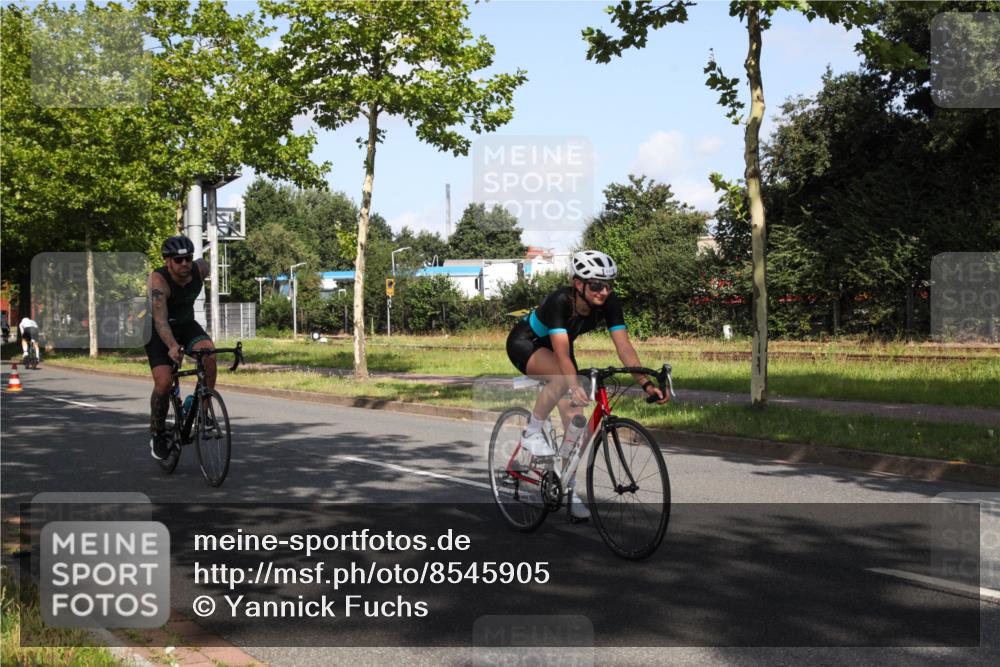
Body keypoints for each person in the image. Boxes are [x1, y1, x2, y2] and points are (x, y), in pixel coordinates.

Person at [506, 250, 670, 520]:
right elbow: (560, 353)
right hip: (527, 344)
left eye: (608, 285)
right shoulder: (560, 300)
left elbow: (624, 346)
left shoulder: (609, 302)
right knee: (561, 379)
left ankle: (565, 486)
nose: (604, 291)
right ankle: (531, 433)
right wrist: (572, 384)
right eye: (596, 285)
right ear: (578, 283)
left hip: (560, 349)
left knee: (576, 425)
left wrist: (646, 383)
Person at [145, 235, 215, 460]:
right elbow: (160, 321)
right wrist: (173, 346)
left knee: (209, 354)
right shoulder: (158, 281)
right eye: (178, 260)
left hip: (186, 324)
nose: (184, 263)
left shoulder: (200, 269)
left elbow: (206, 264)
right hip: (159, 330)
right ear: (168, 261)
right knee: (164, 382)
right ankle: (157, 432)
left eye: (187, 258)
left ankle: (203, 412)